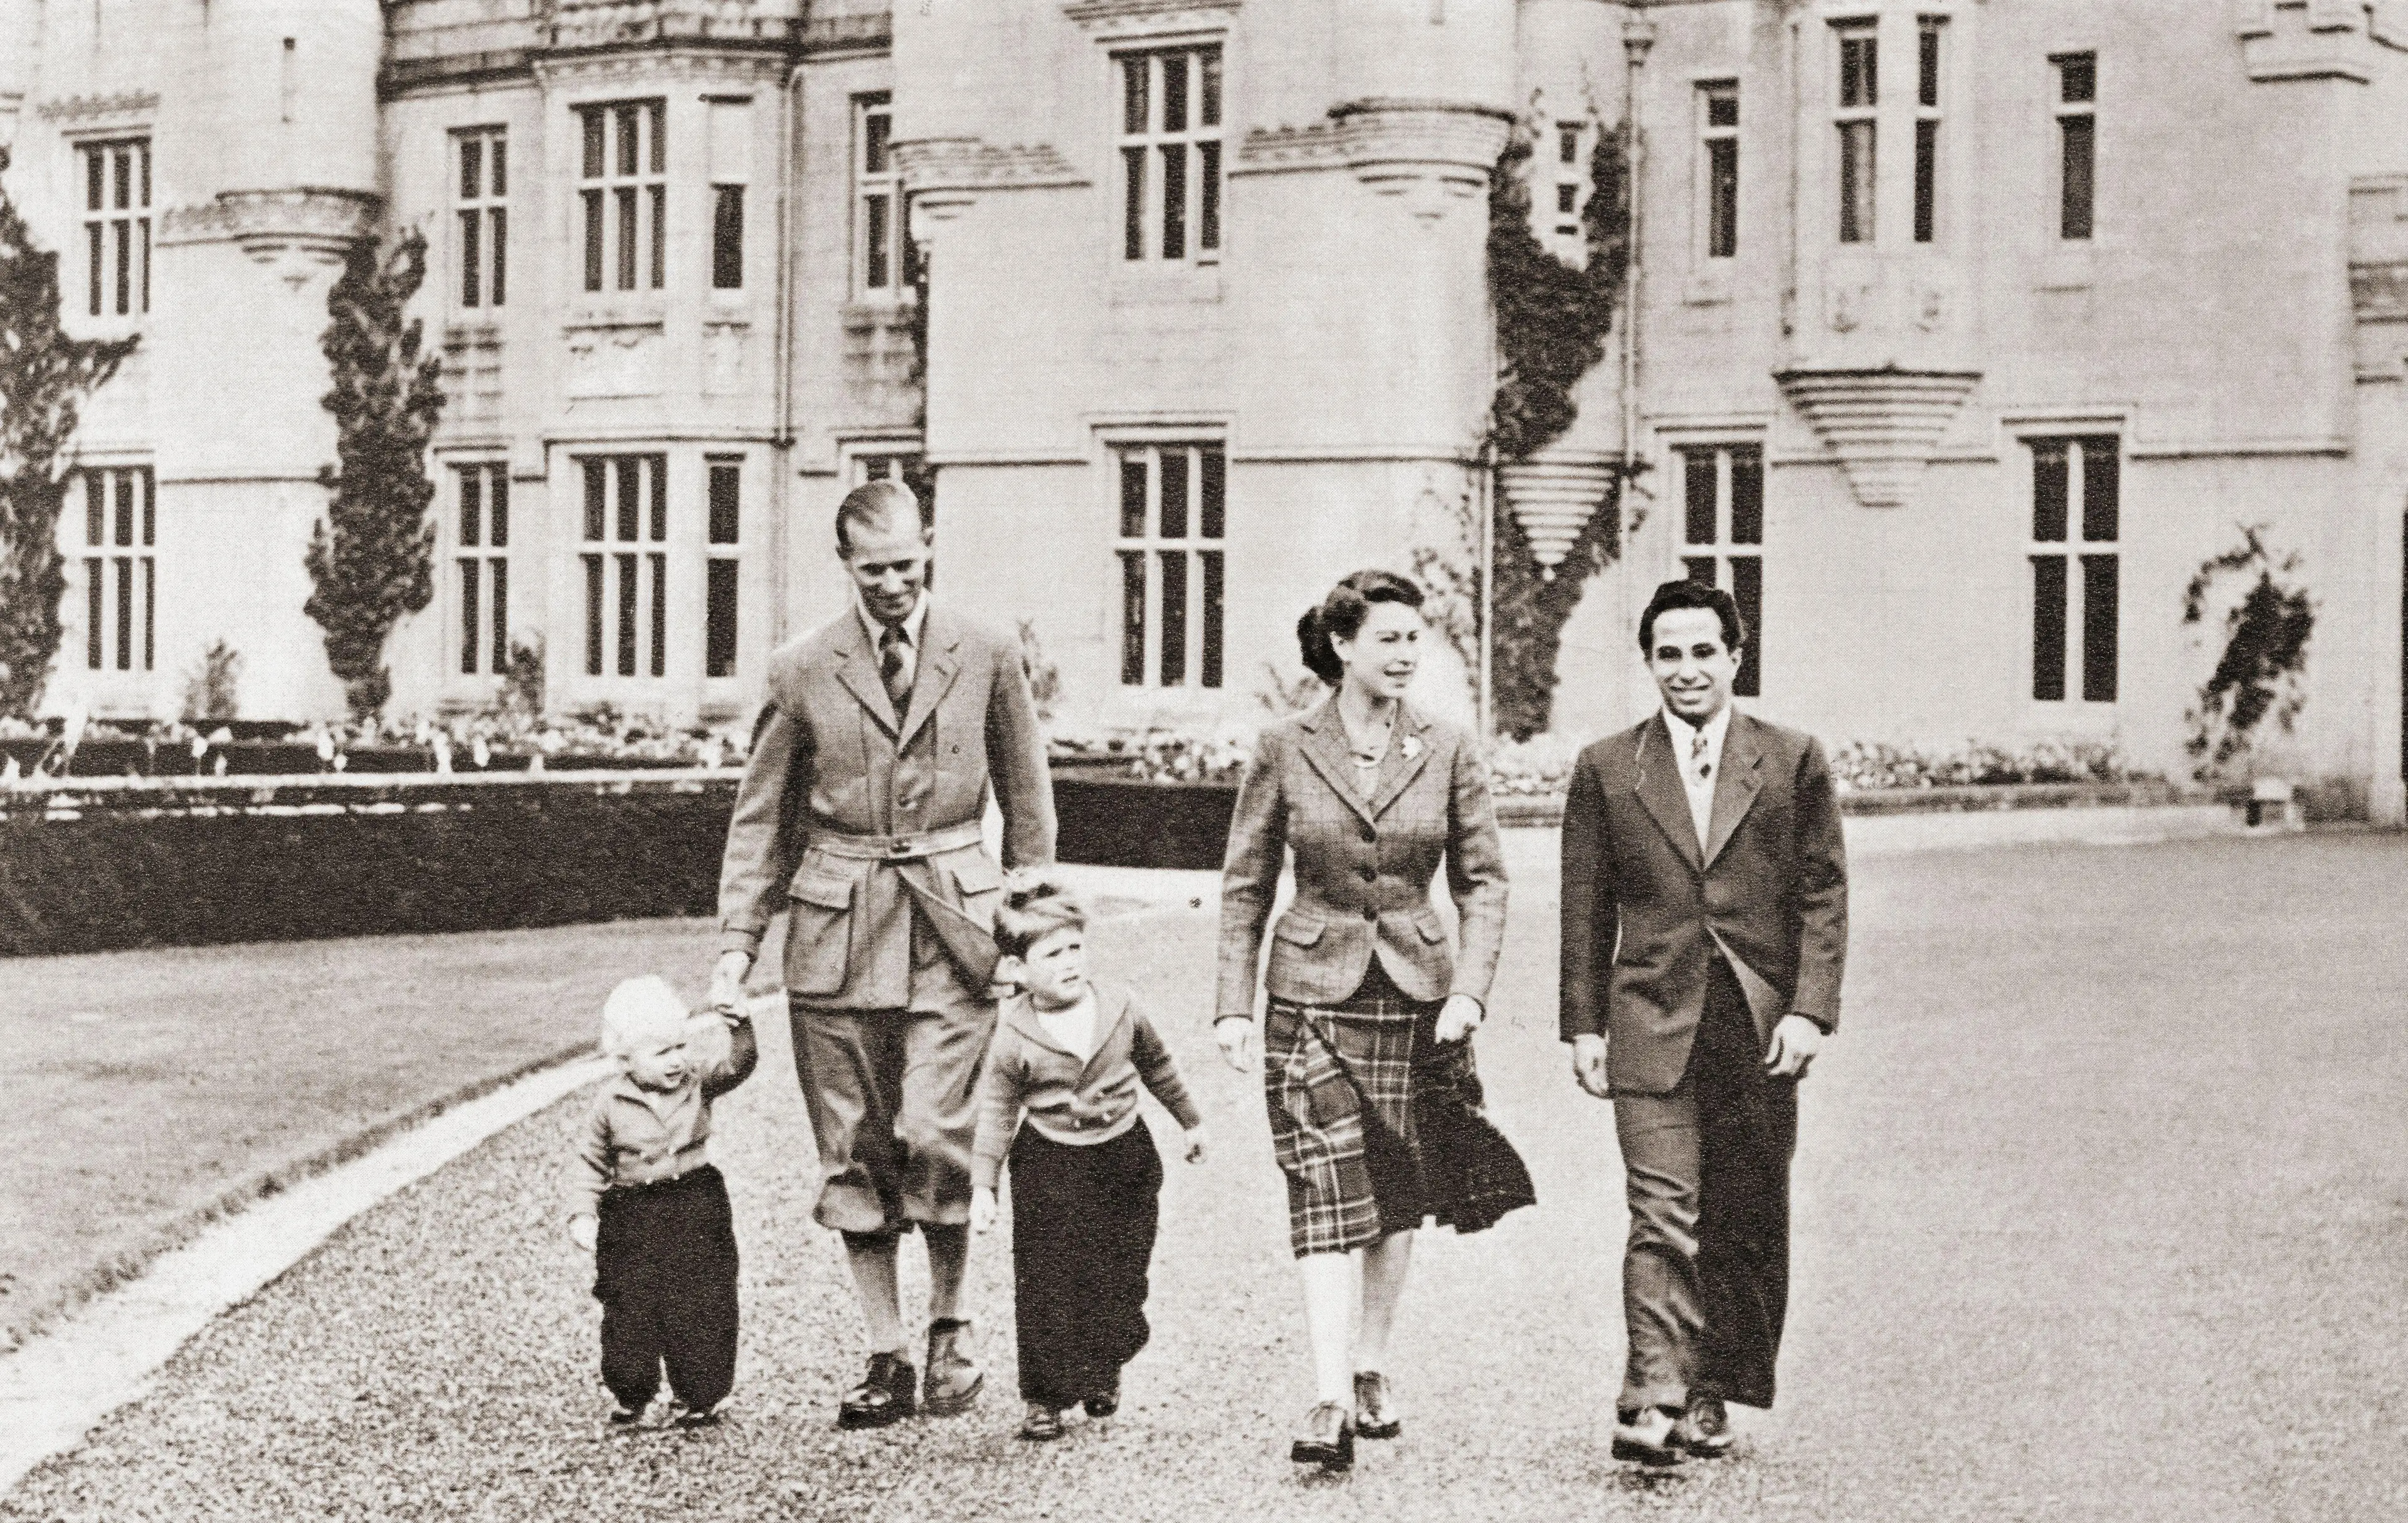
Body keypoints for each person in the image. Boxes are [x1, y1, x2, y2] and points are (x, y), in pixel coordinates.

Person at [710, 479, 1055, 1430]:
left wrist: (1032, 922)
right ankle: (885, 1353)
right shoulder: (801, 668)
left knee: (939, 1131)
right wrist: (737, 949)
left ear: (930, 549)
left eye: (909, 565)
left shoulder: (986, 652)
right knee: (854, 1150)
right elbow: (760, 825)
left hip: (958, 928)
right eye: (876, 571)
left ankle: (951, 1324)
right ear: (846, 566)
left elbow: (1029, 807)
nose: (895, 584)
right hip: (835, 932)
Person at [1215, 568, 1524, 1472]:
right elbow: (1245, 880)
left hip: (1417, 995)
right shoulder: (1283, 744)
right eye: (1387, 638)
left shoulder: (1449, 745)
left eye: (1412, 639)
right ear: (1343, 645)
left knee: (1396, 1191)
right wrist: (1233, 1004)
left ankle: (1370, 1364)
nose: (1404, 654)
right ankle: (1324, 1396)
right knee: (1321, 1187)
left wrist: (1469, 988)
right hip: (1307, 989)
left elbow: (1485, 880)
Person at [1558, 578, 1849, 1465]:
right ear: (1649, 663)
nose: (1686, 670)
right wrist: (1583, 1025)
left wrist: (1809, 1013)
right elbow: (1585, 903)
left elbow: (1823, 895)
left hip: (1756, 1024)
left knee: (1744, 1216)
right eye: (1668, 654)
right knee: (1660, 1214)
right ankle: (1651, 1395)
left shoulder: (1793, 759)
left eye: (1702, 652)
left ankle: (1715, 1389)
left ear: (1735, 657)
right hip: (1648, 1015)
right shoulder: (1609, 766)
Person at [968, 874, 1208, 1441]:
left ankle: (1104, 1364)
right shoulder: (1013, 1034)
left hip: (1125, 1157)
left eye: (1076, 947)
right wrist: (985, 1187)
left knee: (1119, 1272)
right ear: (1019, 969)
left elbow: (1160, 1066)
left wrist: (1192, 1122)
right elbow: (998, 1111)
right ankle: (1045, 1397)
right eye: (1052, 954)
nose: (1070, 962)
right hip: (1050, 1165)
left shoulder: (1121, 1006)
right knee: (1048, 1279)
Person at [566, 975, 759, 1429]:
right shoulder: (610, 1103)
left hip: (695, 1200)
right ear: (625, 1058)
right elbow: (589, 1162)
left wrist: (741, 1026)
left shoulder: (698, 1082)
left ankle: (702, 1392)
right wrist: (582, 1213)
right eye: (661, 1052)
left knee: (704, 1297)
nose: (677, 1060)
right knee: (628, 1302)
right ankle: (632, 1391)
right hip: (632, 1211)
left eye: (680, 1046)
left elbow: (740, 1063)